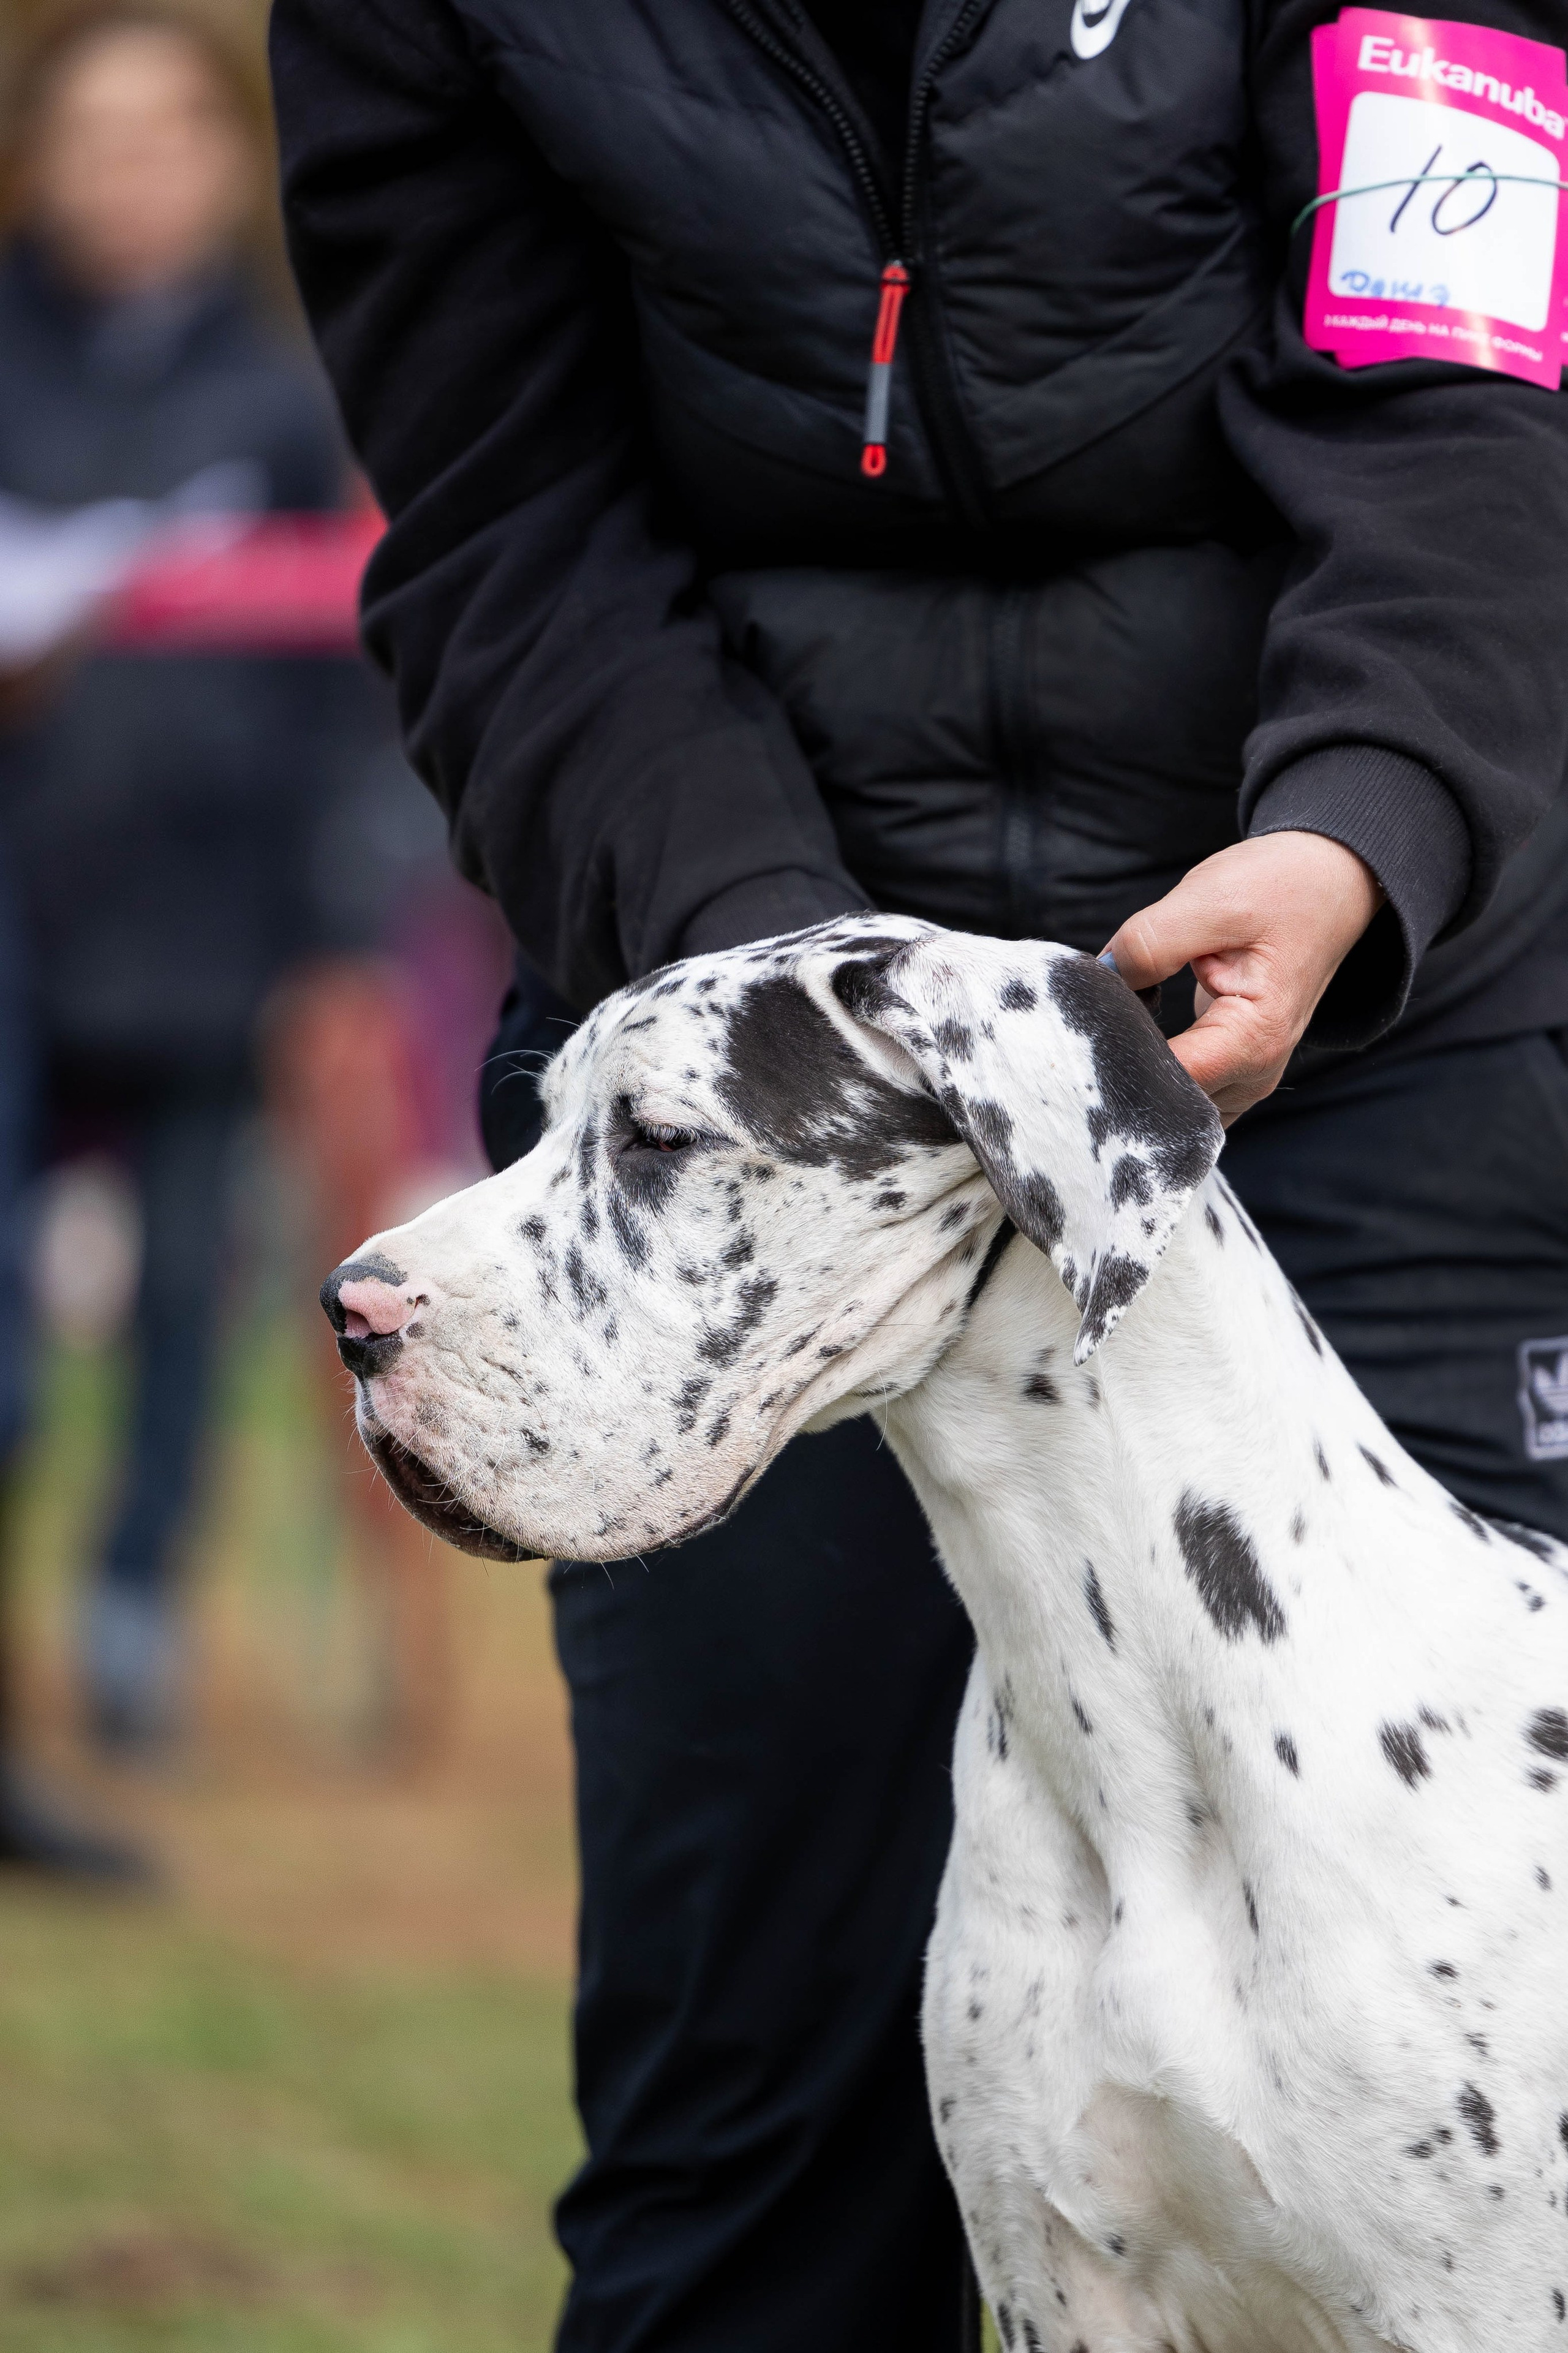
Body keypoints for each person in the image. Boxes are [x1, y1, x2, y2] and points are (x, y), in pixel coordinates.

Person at [270, 1, 1568, 2345]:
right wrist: (787, 996)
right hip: (730, 1016)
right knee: (754, 2131)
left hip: (1366, 989)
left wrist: (1365, 817)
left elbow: (1471, 397)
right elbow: (501, 519)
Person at [0, 2, 345, 1751]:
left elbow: (357, 682)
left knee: (195, 1298)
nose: (129, 172)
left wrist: (346, 920)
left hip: (223, 922)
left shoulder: (293, 395)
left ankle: (139, 1606)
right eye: (92, 134)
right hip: (23, 916)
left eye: (166, 134)